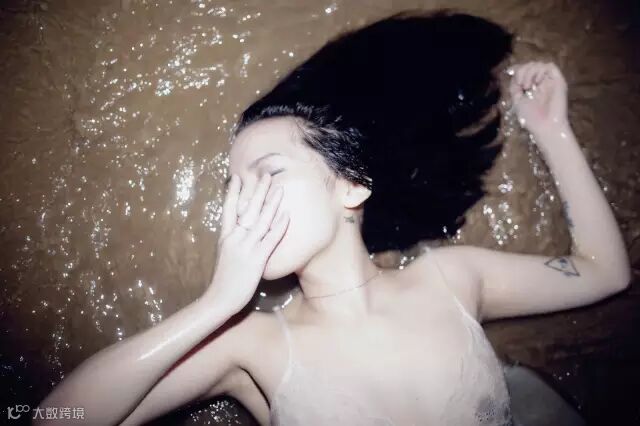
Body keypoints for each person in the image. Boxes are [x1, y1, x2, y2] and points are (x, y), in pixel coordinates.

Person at [36, 9, 631, 426]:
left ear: (351, 186)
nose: (243, 202)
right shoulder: (252, 345)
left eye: (268, 172)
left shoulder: (451, 279)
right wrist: (217, 303)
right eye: (234, 187)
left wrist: (551, 130)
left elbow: (603, 271)